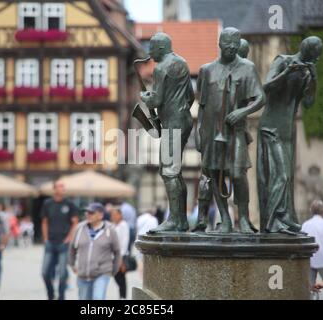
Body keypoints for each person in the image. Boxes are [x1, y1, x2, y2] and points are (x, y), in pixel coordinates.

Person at [195, 27, 265, 233]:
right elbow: (202, 106)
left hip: (236, 130)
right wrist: (200, 133)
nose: (231, 49)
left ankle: (243, 217)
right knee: (215, 173)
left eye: (235, 45)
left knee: (237, 173)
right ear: (219, 44)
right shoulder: (207, 70)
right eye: (227, 45)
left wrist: (242, 112)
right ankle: (225, 218)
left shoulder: (247, 68)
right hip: (211, 131)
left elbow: (261, 98)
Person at [258, 36, 323, 235]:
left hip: (287, 129)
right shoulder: (283, 60)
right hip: (271, 126)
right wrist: (286, 72)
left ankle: (285, 217)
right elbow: (266, 87)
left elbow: (309, 103)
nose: (317, 60)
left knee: (288, 177)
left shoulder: (307, 72)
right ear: (307, 50)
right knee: (281, 176)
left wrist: (314, 79)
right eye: (316, 56)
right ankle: (272, 221)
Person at [140, 32, 195, 232]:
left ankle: (175, 219)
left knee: (169, 171)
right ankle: (181, 220)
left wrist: (145, 97)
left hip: (172, 123)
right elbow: (189, 95)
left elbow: (156, 100)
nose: (149, 52)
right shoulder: (182, 63)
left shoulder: (161, 68)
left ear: (161, 48)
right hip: (184, 120)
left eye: (152, 48)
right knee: (176, 172)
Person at [69, 202, 121, 300]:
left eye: (91, 212)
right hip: (83, 275)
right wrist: (72, 264)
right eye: (87, 212)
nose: (88, 214)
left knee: (98, 298)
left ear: (100, 215)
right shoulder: (79, 228)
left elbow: (117, 252)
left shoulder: (110, 230)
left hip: (102, 273)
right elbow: (72, 247)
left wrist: (114, 270)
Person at [41, 180, 79, 300]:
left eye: (63, 186)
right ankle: (51, 294)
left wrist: (69, 238)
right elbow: (44, 222)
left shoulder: (69, 204)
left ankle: (61, 296)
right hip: (50, 243)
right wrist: (46, 238)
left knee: (63, 274)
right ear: (55, 189)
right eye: (60, 186)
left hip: (64, 244)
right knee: (45, 272)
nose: (63, 188)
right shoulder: (48, 203)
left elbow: (75, 222)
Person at [110, 206, 130, 300]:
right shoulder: (113, 225)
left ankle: (123, 297)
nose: (113, 216)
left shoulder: (123, 225)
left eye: (115, 214)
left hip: (120, 255)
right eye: (112, 214)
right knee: (116, 276)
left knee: (121, 277)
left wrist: (121, 258)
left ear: (120, 215)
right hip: (113, 256)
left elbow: (125, 242)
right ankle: (121, 296)